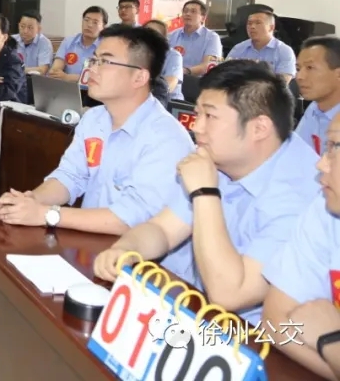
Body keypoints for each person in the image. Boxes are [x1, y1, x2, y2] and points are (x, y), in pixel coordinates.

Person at [93, 61, 318, 326]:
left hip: (247, 335)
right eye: (197, 113)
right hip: (186, 303)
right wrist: (126, 249)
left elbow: (230, 295)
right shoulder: (222, 155)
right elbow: (163, 229)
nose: (196, 127)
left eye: (210, 116)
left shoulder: (302, 197)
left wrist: (204, 192)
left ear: (259, 128)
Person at [0, 25, 194, 235]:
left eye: (104, 62)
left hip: (138, 253)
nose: (91, 69)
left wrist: (47, 214)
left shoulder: (167, 139)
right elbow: (70, 176)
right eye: (93, 60)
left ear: (139, 77)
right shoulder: (93, 119)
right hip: (92, 243)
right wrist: (29, 201)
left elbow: (132, 219)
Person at [261, 113, 340, 379]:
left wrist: (331, 341)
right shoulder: (325, 209)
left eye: (335, 147)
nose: (321, 163)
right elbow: (275, 322)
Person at [295, 36, 340, 154]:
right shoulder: (314, 108)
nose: (299, 76)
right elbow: (297, 153)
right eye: (298, 69)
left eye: (310, 67)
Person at [226, 10, 297, 84]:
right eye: (249, 23)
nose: (252, 27)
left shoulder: (284, 51)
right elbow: (225, 75)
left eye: (258, 23)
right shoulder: (238, 49)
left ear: (271, 27)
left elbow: (282, 84)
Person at [47, 6, 107, 82]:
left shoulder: (106, 46)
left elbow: (102, 77)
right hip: (67, 87)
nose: (89, 25)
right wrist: (57, 73)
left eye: (95, 22)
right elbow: (55, 70)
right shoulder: (69, 41)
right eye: (86, 20)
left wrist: (68, 77)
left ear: (103, 27)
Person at [169, 0, 222, 76]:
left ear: (203, 18)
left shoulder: (212, 38)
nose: (188, 14)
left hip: (198, 80)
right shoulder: (171, 36)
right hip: (172, 78)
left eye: (193, 11)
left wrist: (185, 71)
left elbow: (209, 65)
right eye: (185, 11)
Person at [145, 18, 184, 101]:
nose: (148, 36)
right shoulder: (137, 54)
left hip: (169, 101)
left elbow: (169, 85)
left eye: (153, 33)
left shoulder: (174, 56)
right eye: (145, 32)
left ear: (163, 38)